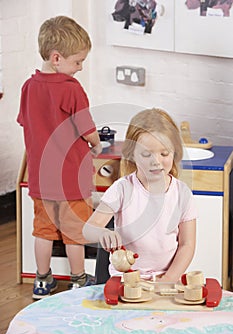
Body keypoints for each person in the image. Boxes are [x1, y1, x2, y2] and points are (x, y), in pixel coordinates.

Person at [17, 15, 102, 299]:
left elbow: (27, 125)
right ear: (57, 58)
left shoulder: (29, 87)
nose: (80, 68)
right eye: (77, 61)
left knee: (43, 231)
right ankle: (78, 279)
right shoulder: (70, 88)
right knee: (74, 232)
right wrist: (96, 144)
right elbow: (87, 128)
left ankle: (42, 281)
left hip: (41, 178)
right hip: (71, 179)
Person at [83, 108, 197, 283]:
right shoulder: (122, 189)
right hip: (125, 280)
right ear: (131, 155)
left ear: (174, 152)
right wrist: (102, 234)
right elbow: (88, 229)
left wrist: (169, 279)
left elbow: (187, 245)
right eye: (146, 154)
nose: (156, 161)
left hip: (165, 281)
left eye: (164, 153)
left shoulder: (182, 194)